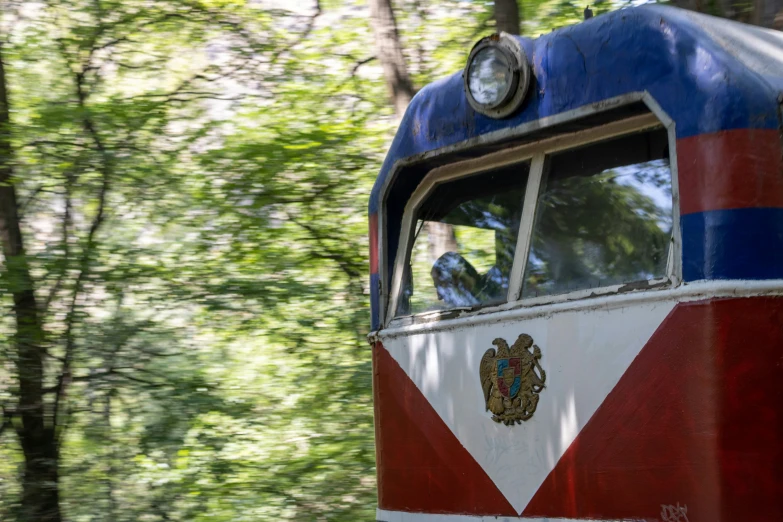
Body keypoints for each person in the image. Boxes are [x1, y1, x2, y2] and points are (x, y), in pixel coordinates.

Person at [430, 252, 504, 308]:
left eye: (441, 285)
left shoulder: (498, 288)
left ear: (458, 279)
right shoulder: (477, 300)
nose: (439, 297)